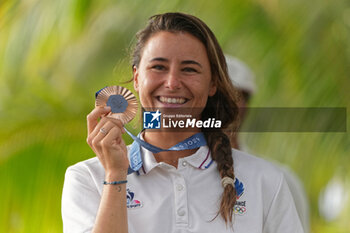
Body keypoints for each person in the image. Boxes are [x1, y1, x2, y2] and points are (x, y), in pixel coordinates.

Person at [61, 12, 304, 233]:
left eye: (189, 69)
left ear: (213, 84)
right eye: (158, 66)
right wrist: (115, 174)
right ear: (136, 78)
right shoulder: (87, 178)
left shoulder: (264, 180)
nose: (172, 82)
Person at [225, 55, 310, 233]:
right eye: (219, 94)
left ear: (246, 105)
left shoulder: (282, 181)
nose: (227, 104)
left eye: (237, 96)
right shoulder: (168, 173)